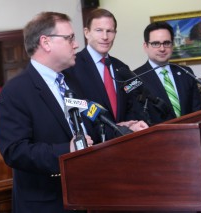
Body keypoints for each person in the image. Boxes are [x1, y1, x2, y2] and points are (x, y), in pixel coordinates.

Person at [0, 12, 93, 213]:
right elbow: (15, 151)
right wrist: (67, 150)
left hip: (85, 197)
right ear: (46, 42)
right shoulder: (16, 91)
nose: (76, 44)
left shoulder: (73, 82)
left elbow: (87, 125)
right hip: (46, 204)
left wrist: (119, 128)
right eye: (70, 38)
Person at [63, 8, 148, 143]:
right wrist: (114, 129)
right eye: (99, 30)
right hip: (95, 146)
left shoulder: (121, 67)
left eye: (109, 31)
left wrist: (131, 125)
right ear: (86, 32)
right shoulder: (71, 67)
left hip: (126, 142)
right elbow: (78, 112)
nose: (105, 37)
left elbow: (131, 103)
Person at [133, 21, 201, 125]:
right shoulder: (135, 78)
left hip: (189, 136)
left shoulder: (185, 73)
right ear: (146, 46)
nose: (162, 49)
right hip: (156, 139)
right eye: (156, 43)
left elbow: (197, 111)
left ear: (172, 45)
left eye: (166, 43)